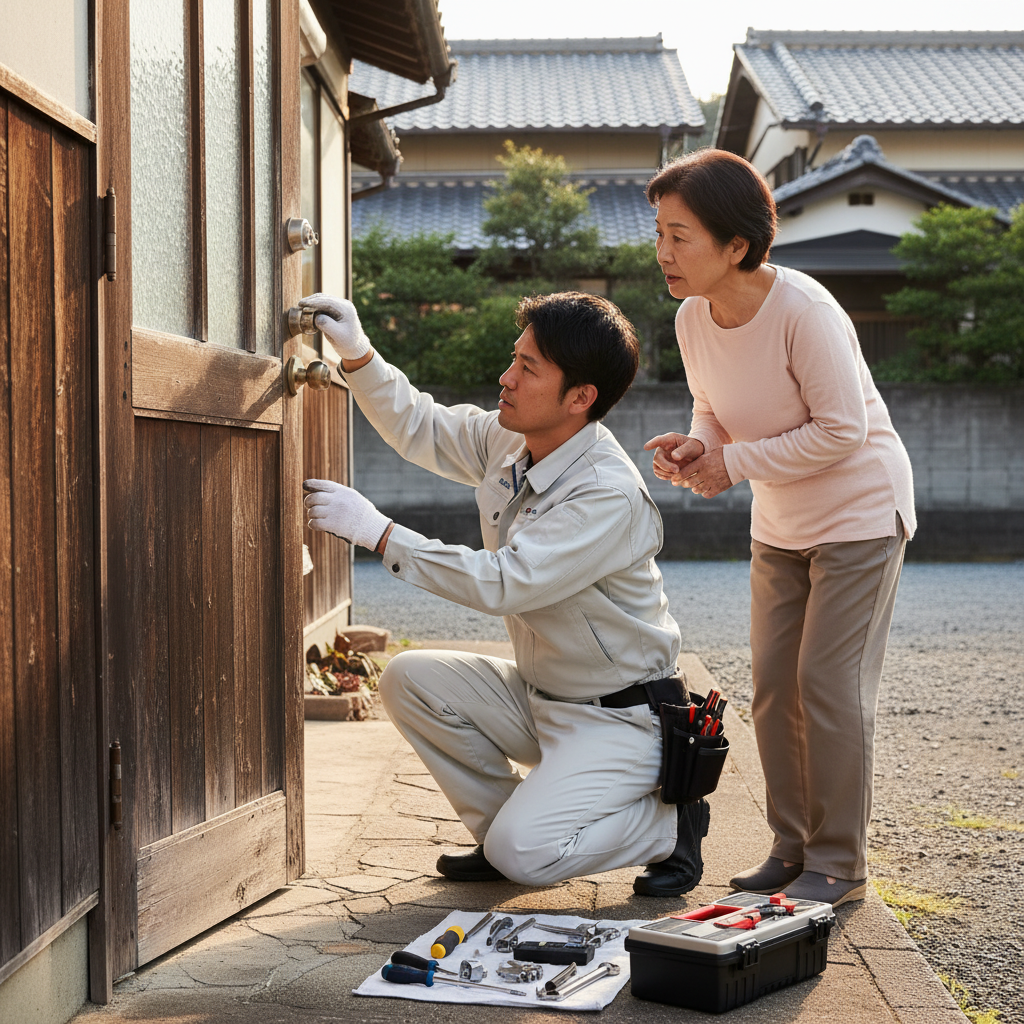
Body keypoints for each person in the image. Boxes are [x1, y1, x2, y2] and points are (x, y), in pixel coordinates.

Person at [301, 289, 709, 896]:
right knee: (410, 679)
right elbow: (421, 426)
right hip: (543, 696)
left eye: (528, 367)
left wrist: (380, 534)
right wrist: (358, 354)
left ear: (580, 397)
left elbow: (504, 582)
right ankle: (501, 836)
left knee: (528, 853)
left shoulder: (606, 493)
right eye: (515, 359)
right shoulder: (514, 440)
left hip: (620, 720)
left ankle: (669, 828)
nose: (507, 377)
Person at [643, 149, 915, 908]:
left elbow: (842, 430)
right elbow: (712, 408)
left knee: (826, 685)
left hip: (861, 514)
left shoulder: (805, 310)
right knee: (771, 690)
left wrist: (730, 463)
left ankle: (840, 862)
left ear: (736, 244)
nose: (663, 252)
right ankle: (791, 846)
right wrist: (698, 445)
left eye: (680, 236)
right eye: (659, 234)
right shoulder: (692, 316)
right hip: (782, 520)